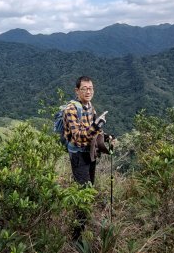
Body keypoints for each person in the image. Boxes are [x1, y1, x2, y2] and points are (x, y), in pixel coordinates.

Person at [63, 75, 110, 240]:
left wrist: (107, 137)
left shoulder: (90, 106)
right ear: (77, 91)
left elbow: (94, 132)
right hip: (78, 155)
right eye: (84, 88)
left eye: (90, 88)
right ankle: (76, 236)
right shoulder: (71, 109)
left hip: (90, 154)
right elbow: (78, 137)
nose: (88, 91)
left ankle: (82, 226)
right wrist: (96, 126)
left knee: (89, 190)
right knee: (83, 195)